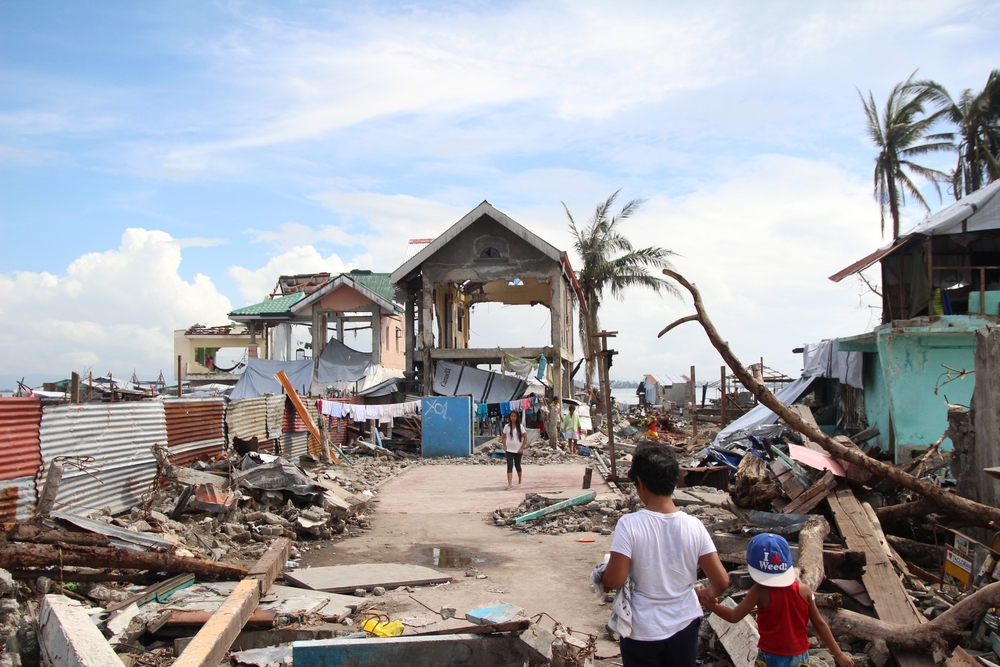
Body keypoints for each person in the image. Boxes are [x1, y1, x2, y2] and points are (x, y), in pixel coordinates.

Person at [601, 443, 729, 667]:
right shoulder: (694, 526)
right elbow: (722, 581)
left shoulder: (630, 524)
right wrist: (707, 594)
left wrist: (601, 576)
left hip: (643, 630)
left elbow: (614, 580)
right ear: (674, 482)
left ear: (640, 483)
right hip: (685, 625)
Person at [699, 533, 854, 667]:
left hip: (771, 657)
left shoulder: (760, 591)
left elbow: (734, 616)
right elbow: (819, 624)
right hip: (800, 657)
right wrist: (839, 654)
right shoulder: (804, 590)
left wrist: (708, 603)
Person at [502, 410, 527, 489]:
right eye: (511, 416)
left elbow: (525, 438)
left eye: (514, 416)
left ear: (517, 417)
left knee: (517, 465)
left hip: (517, 450)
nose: (513, 418)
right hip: (509, 450)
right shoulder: (507, 426)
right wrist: (504, 445)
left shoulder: (520, 427)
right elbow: (503, 436)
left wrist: (522, 448)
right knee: (509, 466)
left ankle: (520, 480)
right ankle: (509, 483)